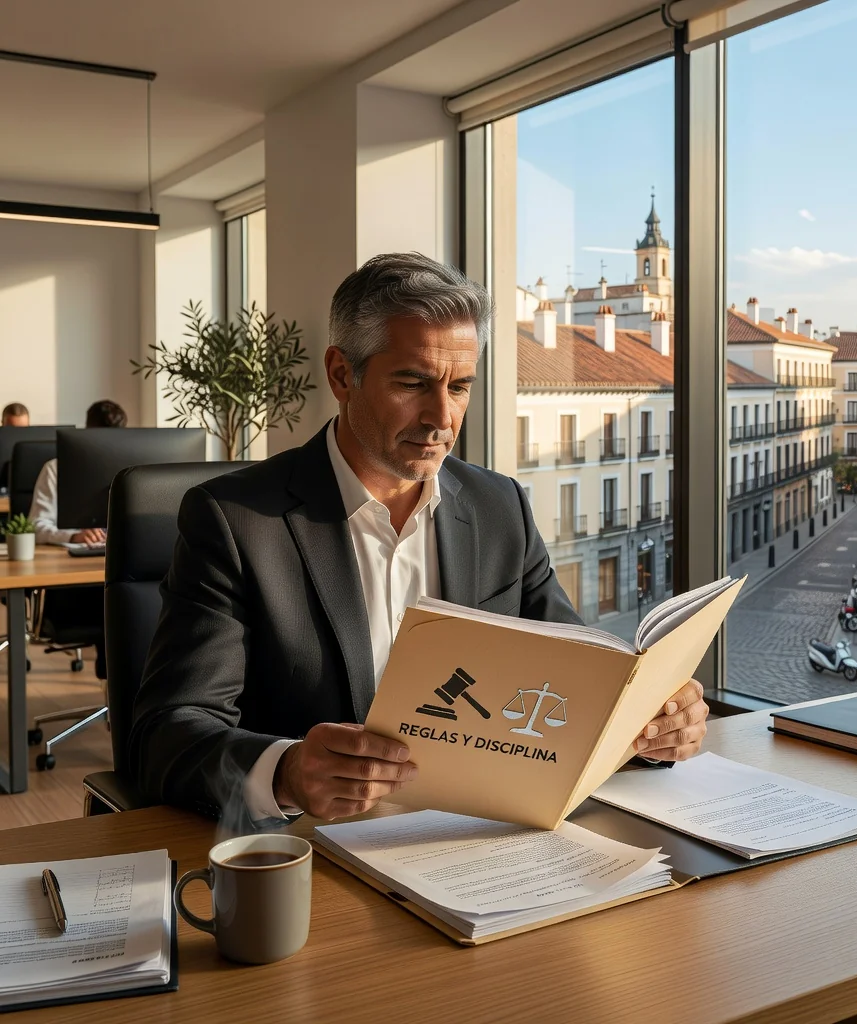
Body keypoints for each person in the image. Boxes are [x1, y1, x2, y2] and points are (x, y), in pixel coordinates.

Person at [129, 253, 709, 824]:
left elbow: (580, 675)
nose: (442, 417)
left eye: (460, 387)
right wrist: (286, 772)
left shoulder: (499, 506)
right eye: (413, 383)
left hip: (484, 836)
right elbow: (168, 733)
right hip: (315, 853)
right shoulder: (234, 520)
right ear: (341, 375)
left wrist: (650, 721)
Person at [28, 400, 127, 680]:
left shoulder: (132, 470)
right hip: (74, 590)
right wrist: (75, 534)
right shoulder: (55, 469)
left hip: (120, 576)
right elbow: (37, 525)